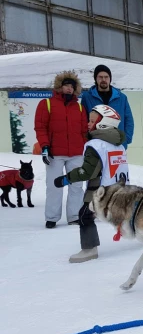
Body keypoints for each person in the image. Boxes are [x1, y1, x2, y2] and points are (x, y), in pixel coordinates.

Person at [53, 105, 129, 263]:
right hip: (121, 189)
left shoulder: (95, 145)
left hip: (102, 191)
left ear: (103, 123)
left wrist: (66, 179)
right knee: (125, 214)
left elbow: (88, 172)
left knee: (84, 216)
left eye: (92, 120)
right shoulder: (118, 143)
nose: (88, 123)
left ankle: (89, 249)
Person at [34, 71, 88, 229]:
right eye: (66, 85)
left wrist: (85, 147)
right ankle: (51, 217)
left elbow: (84, 131)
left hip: (76, 154)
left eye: (72, 86)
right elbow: (40, 127)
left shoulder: (79, 107)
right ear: (59, 86)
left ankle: (74, 216)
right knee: (54, 186)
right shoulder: (47, 104)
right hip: (55, 154)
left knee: (76, 186)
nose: (69, 89)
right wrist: (44, 146)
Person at [80, 64, 134, 149]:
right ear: (96, 79)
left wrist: (126, 139)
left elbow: (128, 120)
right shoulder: (87, 97)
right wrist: (87, 138)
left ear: (110, 79)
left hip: (117, 143)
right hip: (96, 143)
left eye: (106, 77)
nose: (103, 80)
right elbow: (83, 119)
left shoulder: (121, 97)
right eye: (100, 77)